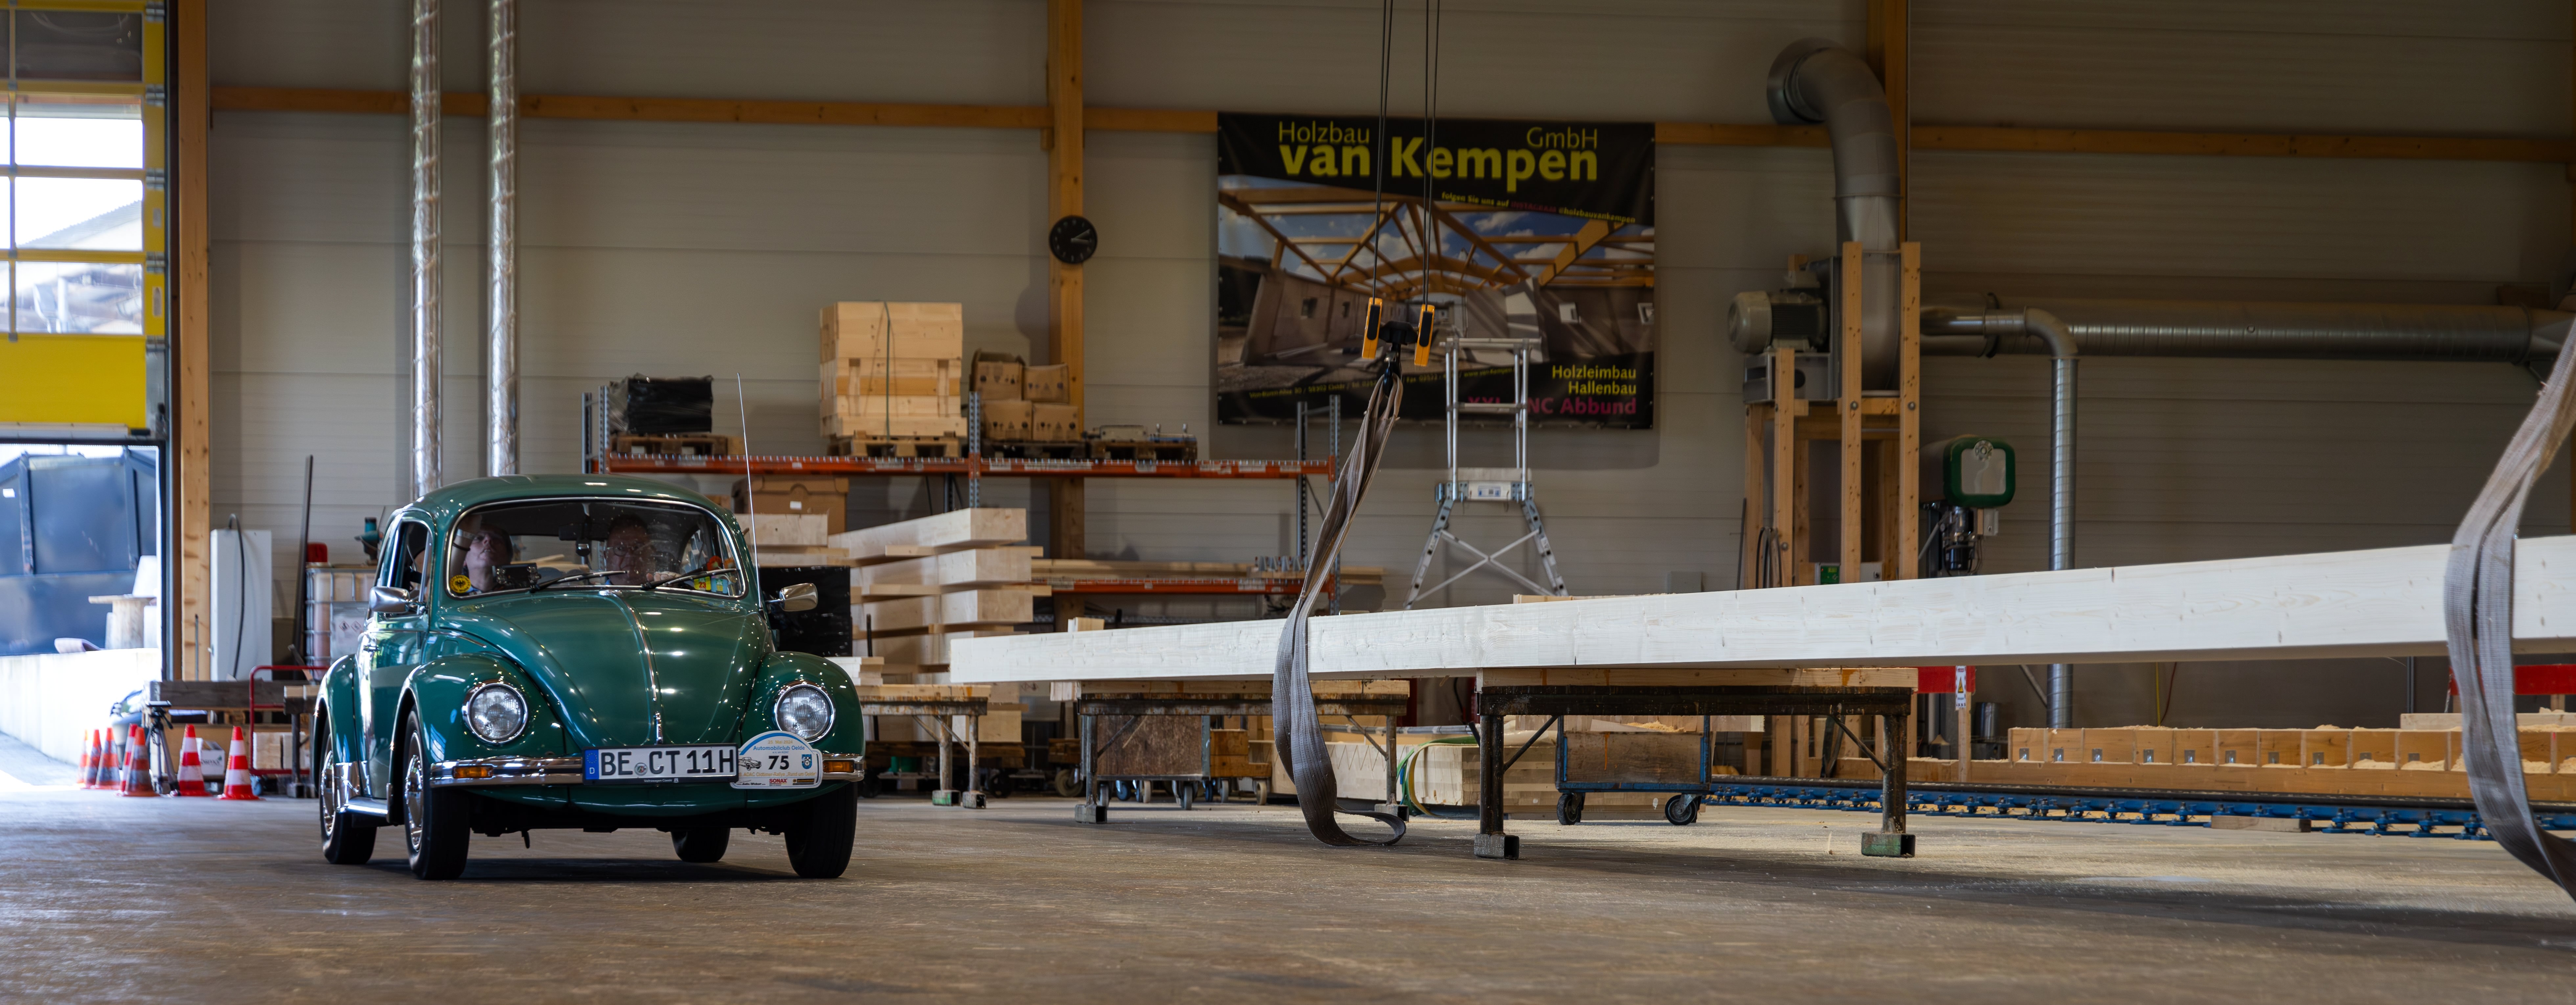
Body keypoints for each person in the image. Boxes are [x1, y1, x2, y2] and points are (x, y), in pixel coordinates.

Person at [599, 514, 660, 586]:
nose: (630, 555)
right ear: (606, 556)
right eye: (620, 549)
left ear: (651, 554)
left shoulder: (666, 591)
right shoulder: (591, 592)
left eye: (637, 548)